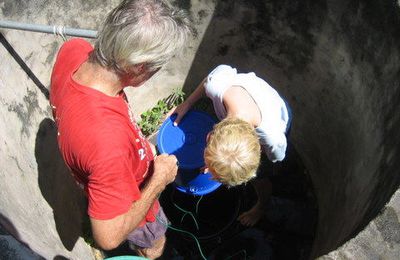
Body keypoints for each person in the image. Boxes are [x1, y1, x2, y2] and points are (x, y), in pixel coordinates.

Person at [49, 0, 191, 258]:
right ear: (139, 67)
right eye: (157, 66)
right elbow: (109, 236)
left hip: (113, 164)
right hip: (137, 208)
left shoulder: (75, 49)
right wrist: (159, 178)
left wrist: (139, 148)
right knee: (154, 245)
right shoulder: (107, 145)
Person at [168, 64, 292, 227]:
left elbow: (277, 158)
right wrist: (187, 103)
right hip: (253, 99)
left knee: (262, 178)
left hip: (279, 113)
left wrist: (269, 162)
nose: (211, 176)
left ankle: (262, 205)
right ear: (209, 135)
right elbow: (209, 79)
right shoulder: (217, 87)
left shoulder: (273, 138)